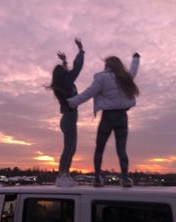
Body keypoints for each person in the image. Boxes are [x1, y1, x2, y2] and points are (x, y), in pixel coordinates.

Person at [68, 53, 140, 187]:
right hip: (122, 117)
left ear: (107, 65)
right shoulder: (125, 77)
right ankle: (125, 178)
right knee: (121, 149)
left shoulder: (102, 78)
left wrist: (71, 102)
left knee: (100, 148)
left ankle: (97, 178)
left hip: (107, 117)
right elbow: (133, 71)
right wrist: (136, 58)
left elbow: (88, 93)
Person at [49, 38, 85, 187]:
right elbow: (77, 68)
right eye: (65, 71)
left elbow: (68, 71)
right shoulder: (67, 82)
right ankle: (61, 175)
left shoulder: (63, 82)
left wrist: (64, 62)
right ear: (63, 75)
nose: (67, 71)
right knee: (69, 147)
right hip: (69, 117)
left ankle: (66, 174)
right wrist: (81, 50)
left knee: (72, 147)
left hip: (69, 118)